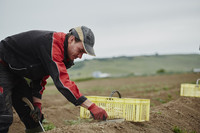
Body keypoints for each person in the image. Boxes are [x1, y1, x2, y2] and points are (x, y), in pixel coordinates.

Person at [0, 26, 108, 133]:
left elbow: (41, 76)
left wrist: (37, 104)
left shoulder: (60, 52)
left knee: (32, 117)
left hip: (14, 71)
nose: (80, 56)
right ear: (71, 40)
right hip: (2, 64)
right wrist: (91, 107)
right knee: (4, 117)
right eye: (80, 50)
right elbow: (63, 82)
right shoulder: (53, 45)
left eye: (83, 54)